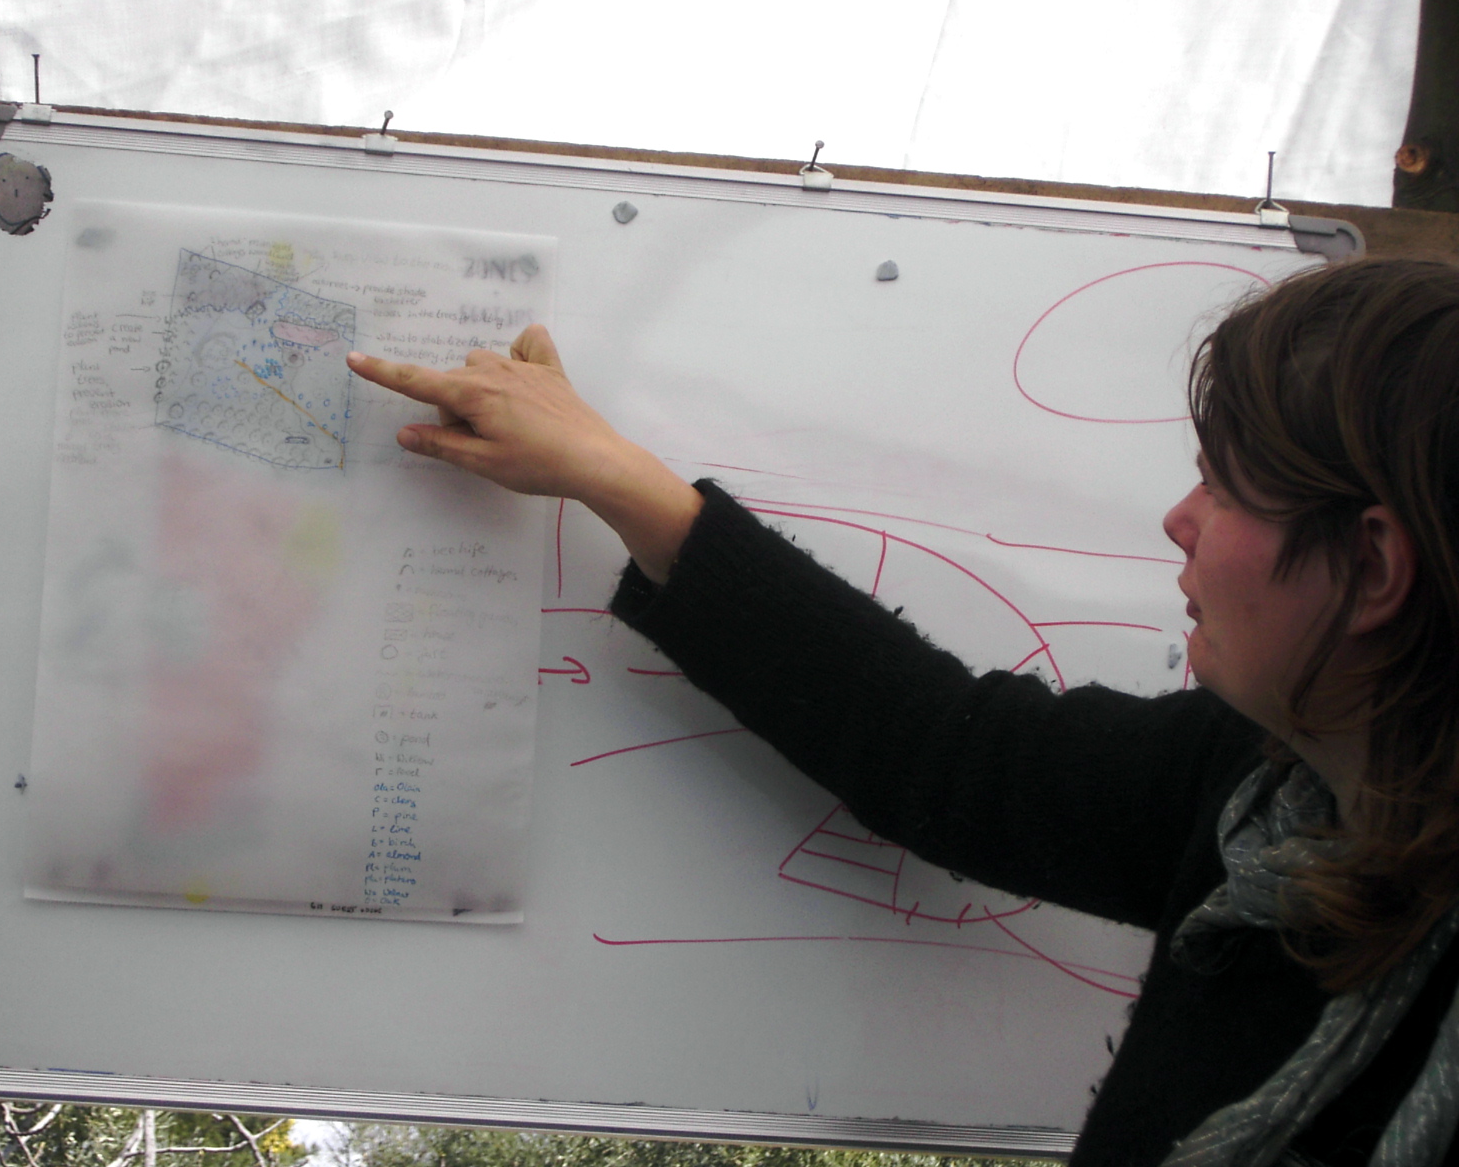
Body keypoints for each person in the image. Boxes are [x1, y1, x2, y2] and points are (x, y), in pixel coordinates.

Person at [346, 257, 1459, 1167]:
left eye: (1226, 484)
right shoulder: (1258, 793)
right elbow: (949, 753)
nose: (1179, 518)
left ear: (1369, 567)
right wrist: (615, 476)